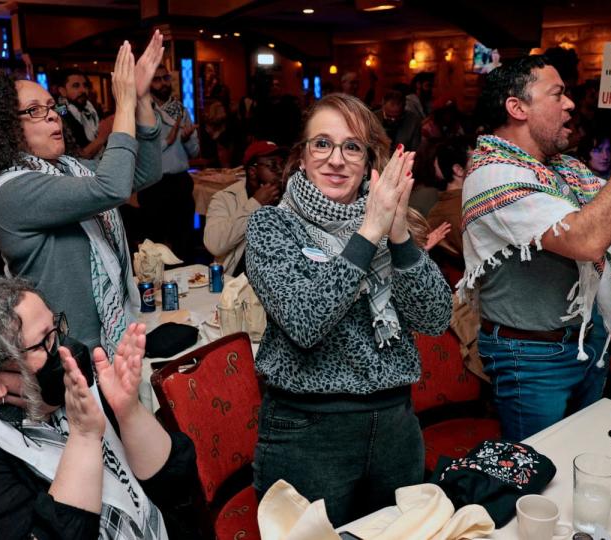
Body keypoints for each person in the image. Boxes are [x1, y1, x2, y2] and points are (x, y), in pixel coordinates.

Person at [461, 56, 611, 441]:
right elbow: (589, 242)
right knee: (540, 472)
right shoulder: (495, 174)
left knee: (579, 454)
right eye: (558, 94)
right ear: (517, 107)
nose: (570, 104)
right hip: (530, 356)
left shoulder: (564, 169)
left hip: (583, 339)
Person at [245, 93, 452, 524]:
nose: (336, 159)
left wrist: (396, 235)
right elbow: (305, 322)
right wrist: (370, 229)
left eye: (352, 147)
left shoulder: (389, 224)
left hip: (395, 428)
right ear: (301, 157)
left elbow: (435, 318)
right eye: (322, 144)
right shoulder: (271, 226)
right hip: (309, 434)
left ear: (367, 163)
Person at [0, 277, 196, 539]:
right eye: (42, 343)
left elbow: (176, 487)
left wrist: (128, 410)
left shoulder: (67, 392)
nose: (63, 349)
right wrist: (84, 437)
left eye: (56, 329)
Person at [0, 33, 165, 356]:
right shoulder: (10, 190)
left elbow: (144, 173)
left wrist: (142, 96)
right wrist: (124, 102)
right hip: (68, 350)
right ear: (8, 128)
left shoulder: (69, 168)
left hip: (110, 336)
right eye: (34, 111)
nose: (52, 115)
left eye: (51, 107)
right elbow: (111, 187)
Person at [138, 64, 200, 261]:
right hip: (153, 185)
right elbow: (141, 153)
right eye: (157, 79)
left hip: (180, 183)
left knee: (185, 242)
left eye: (166, 78)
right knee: (155, 247)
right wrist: (169, 140)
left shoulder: (181, 109)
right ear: (148, 84)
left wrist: (186, 138)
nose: (163, 83)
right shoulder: (141, 112)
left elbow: (195, 151)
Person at [204, 140, 284, 276]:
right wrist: (255, 204)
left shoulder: (288, 197)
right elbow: (214, 245)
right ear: (253, 172)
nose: (281, 172)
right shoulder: (225, 198)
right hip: (238, 284)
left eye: (283, 165)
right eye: (273, 166)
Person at [54, 68, 113, 159]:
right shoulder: (59, 112)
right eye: (76, 86)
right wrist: (102, 137)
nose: (83, 90)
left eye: (85, 86)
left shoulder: (91, 108)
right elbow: (76, 158)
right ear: (63, 91)